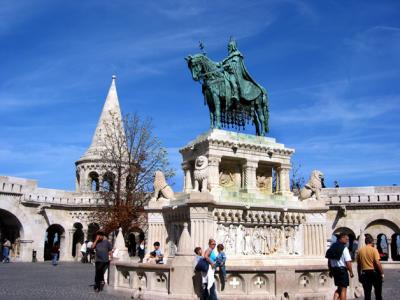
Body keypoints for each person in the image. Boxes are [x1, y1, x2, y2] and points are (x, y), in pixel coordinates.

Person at [326, 233, 354, 300]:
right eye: (346, 239)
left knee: (339, 288)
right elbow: (348, 262)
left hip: (335, 270)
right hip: (342, 271)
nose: (347, 241)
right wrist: (351, 272)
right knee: (343, 290)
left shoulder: (332, 247)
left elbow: (329, 261)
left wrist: (330, 270)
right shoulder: (344, 248)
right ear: (341, 238)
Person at [357, 234, 384, 300]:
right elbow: (377, 263)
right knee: (378, 293)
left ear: (365, 242)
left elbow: (359, 265)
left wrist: (359, 275)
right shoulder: (374, 250)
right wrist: (382, 273)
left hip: (364, 273)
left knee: (367, 294)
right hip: (374, 273)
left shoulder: (360, 251)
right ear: (371, 242)